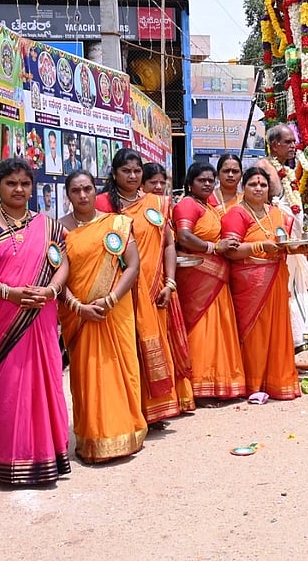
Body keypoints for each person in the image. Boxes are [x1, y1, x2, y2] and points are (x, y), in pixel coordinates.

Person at [0, 159, 71, 485]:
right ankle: (1, 461)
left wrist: (51, 290)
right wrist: (7, 292)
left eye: (24, 183)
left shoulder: (48, 226)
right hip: (2, 317)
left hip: (40, 314)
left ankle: (46, 456)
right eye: (11, 183)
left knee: (45, 380)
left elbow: (63, 263)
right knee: (5, 386)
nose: (19, 189)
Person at [96, 149, 195, 421]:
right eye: (125, 171)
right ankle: (131, 411)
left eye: (136, 171)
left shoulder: (157, 203)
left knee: (155, 344)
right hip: (119, 291)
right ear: (114, 173)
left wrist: (170, 282)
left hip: (155, 290)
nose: (131, 175)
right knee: (127, 348)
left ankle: (157, 409)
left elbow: (169, 245)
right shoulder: (103, 204)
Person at [59, 170, 146, 462]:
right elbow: (57, 278)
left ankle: (127, 431)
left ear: (96, 191)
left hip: (115, 308)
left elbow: (132, 266)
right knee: (86, 375)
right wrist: (78, 307)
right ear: (67, 195)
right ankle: (93, 439)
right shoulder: (58, 231)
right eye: (75, 191)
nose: (82, 196)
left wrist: (110, 299)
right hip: (80, 316)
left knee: (121, 368)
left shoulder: (117, 224)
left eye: (87, 189)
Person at [221, 167, 300, 400]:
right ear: (243, 188)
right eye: (253, 184)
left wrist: (298, 248)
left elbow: (283, 242)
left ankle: (276, 382)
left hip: (275, 278)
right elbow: (231, 252)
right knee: (254, 334)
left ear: (269, 189)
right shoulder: (237, 214)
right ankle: (252, 383)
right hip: (250, 282)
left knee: (277, 331)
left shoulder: (276, 213)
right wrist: (259, 247)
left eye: (263, 185)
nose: (258, 188)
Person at [174, 162, 246, 399]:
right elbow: (184, 236)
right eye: (201, 180)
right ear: (189, 183)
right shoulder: (187, 204)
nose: (207, 184)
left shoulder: (208, 206)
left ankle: (219, 384)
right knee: (200, 330)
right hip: (198, 276)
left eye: (210, 180)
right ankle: (198, 387)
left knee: (218, 330)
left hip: (215, 277)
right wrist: (214, 247)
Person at [255, 124, 308, 352]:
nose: (294, 146)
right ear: (274, 145)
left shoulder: (288, 171)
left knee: (296, 288)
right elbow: (260, 207)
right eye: (288, 142)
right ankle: (282, 347)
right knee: (284, 290)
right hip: (278, 243)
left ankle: (295, 343)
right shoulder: (263, 167)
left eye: (294, 142)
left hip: (294, 242)